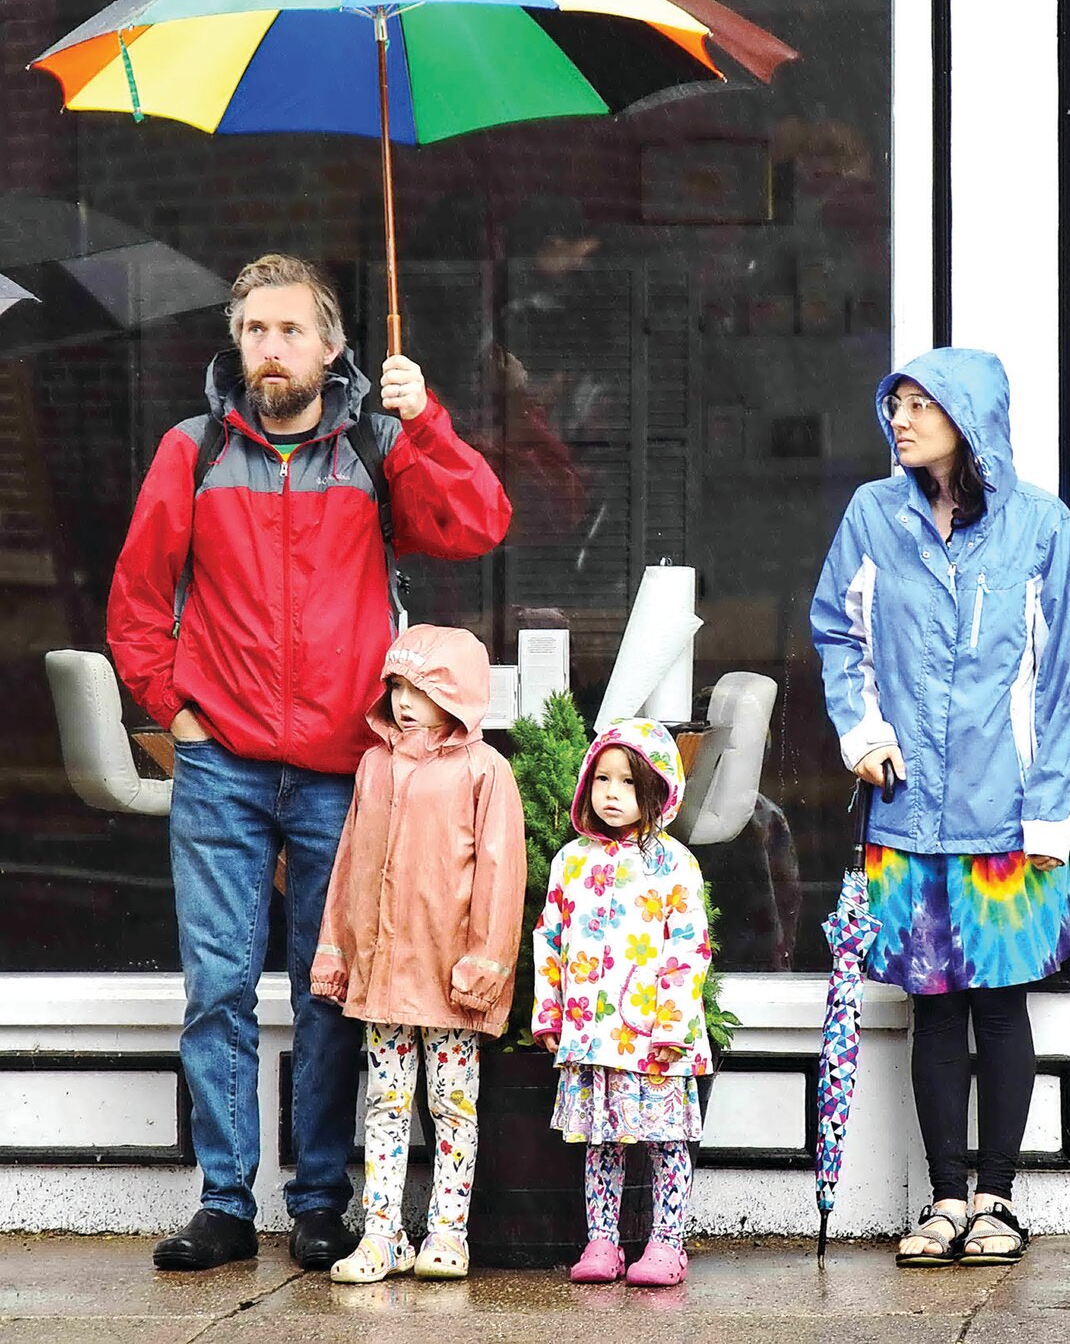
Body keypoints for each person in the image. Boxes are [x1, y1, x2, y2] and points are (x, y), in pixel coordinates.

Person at [106, 254, 512, 1272]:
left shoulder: (377, 447)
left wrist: (427, 427)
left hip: (348, 770)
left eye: (291, 331)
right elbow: (135, 603)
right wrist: (174, 708)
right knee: (217, 986)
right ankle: (226, 1202)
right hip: (223, 768)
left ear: (334, 347)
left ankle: (321, 1201)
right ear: (235, 345)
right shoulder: (191, 452)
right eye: (254, 331)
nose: (271, 349)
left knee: (335, 991)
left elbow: (477, 525)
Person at [811, 347, 1070, 1268]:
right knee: (932, 1009)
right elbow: (836, 633)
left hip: (1008, 817)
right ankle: (942, 1199)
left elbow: (1060, 680)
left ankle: (999, 1199)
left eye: (922, 405)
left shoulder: (1040, 525)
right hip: (905, 812)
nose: (901, 419)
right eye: (895, 403)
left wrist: (1049, 816)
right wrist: (861, 733)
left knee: (1000, 1008)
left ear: (968, 417)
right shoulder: (872, 515)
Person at [309, 624, 526, 1283]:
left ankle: (447, 1234)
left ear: (457, 695)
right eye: (397, 686)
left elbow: (500, 873)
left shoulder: (485, 771)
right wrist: (336, 950)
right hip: (382, 974)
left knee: (452, 1102)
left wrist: (484, 963)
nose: (403, 701)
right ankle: (381, 1235)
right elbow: (348, 863)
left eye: (422, 689)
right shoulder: (374, 765)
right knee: (384, 1103)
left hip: (446, 974)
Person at [532, 718, 713, 1288]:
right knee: (601, 1141)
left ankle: (667, 1240)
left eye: (629, 783)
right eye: (603, 779)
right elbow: (550, 937)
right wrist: (551, 1012)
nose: (611, 794)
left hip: (658, 1037)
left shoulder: (674, 863)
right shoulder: (572, 862)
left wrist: (673, 1025)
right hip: (592, 1033)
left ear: (657, 789)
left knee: (665, 1141)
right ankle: (602, 1240)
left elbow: (689, 946)